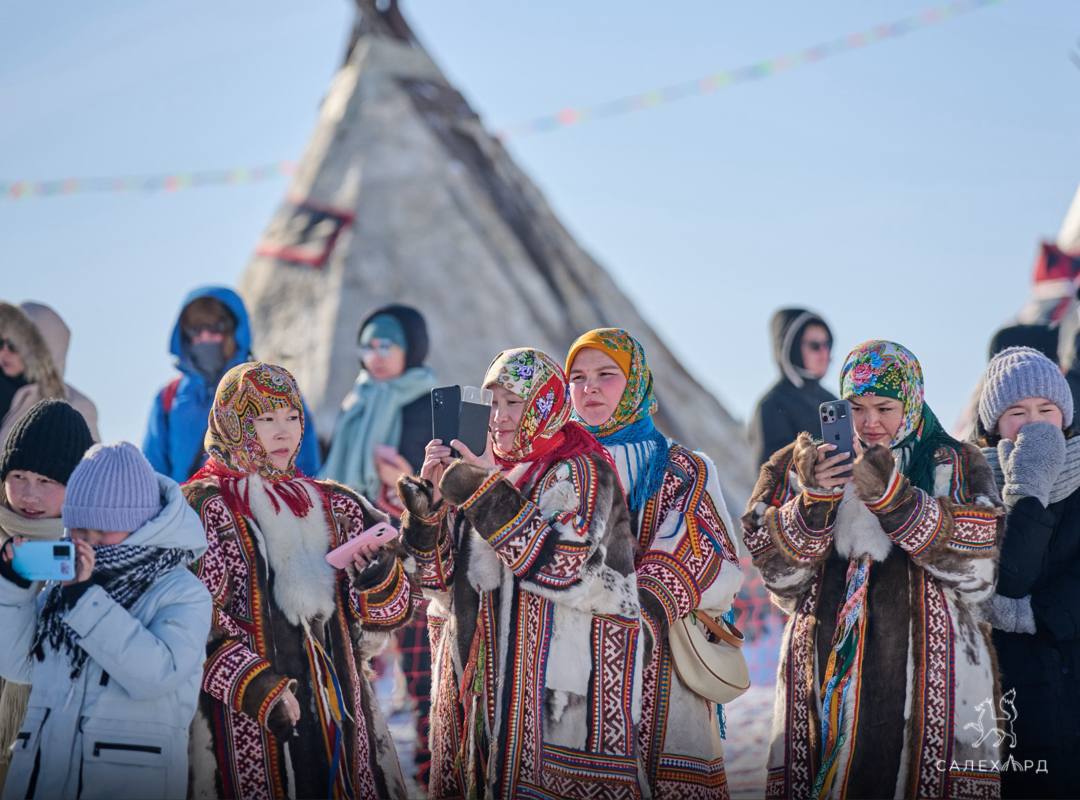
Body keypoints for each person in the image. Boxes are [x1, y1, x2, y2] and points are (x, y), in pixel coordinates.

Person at [742, 340, 1003, 800]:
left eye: (885, 407)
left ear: (913, 400)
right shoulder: (803, 466)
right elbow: (779, 577)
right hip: (823, 681)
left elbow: (979, 570)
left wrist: (895, 501)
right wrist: (815, 501)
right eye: (856, 407)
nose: (869, 422)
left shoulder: (955, 462)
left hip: (933, 687)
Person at [397, 348, 643, 800]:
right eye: (492, 402)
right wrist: (428, 510)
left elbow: (564, 568)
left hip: (559, 708)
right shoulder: (486, 473)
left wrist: (484, 488)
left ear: (546, 404)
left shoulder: (582, 471)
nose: (499, 417)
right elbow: (433, 584)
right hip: (477, 701)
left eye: (514, 402)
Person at [183, 361, 416, 800]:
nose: (282, 432)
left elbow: (395, 612)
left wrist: (378, 576)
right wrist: (258, 688)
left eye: (291, 417)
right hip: (245, 727)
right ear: (233, 421)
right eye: (265, 419)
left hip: (342, 724)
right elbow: (189, 620)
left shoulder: (337, 505)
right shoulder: (203, 508)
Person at [565, 328, 744, 799]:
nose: (590, 388)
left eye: (607, 375)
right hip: (572, 667)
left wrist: (635, 609)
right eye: (578, 377)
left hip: (665, 664)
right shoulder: (553, 467)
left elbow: (710, 557)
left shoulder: (684, 467)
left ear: (636, 382)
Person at [0, 441, 212, 800]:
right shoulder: (62, 588)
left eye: (104, 531)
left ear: (142, 525)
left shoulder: (181, 591)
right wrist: (13, 589)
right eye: (81, 531)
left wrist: (84, 602)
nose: (91, 544)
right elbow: (18, 664)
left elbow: (157, 675)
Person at [321, 303, 437, 787]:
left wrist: (402, 475)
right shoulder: (356, 402)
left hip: (407, 542)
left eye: (387, 344)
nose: (377, 355)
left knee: (418, 655)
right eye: (368, 345)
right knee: (350, 652)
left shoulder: (424, 399)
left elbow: (435, 477)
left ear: (410, 347)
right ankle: (356, 754)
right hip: (356, 544)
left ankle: (434, 754)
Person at [976, 347, 1080, 798]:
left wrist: (1031, 614)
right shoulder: (972, 490)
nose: (1034, 422)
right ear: (994, 426)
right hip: (1012, 697)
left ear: (1066, 416)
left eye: (1046, 409)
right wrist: (1028, 488)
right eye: (1017, 412)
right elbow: (1009, 578)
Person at [0, 400, 94, 791]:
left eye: (47, 481)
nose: (28, 494)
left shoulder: (91, 552)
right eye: (18, 475)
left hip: (59, 741)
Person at [142, 286, 320, 482]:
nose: (205, 338)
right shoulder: (169, 399)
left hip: (260, 510)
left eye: (215, 328)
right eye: (196, 329)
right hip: (186, 510)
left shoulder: (272, 390)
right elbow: (153, 476)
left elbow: (303, 467)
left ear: (235, 332)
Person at [0, 302, 99, 444]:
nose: (4, 351)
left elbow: (93, 465)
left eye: (14, 346)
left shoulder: (75, 408)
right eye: (0, 342)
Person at [749, 308, 836, 469]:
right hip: (802, 494)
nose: (825, 354)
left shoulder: (832, 400)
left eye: (827, 345)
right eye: (815, 346)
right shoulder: (772, 405)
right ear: (792, 347)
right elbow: (771, 477)